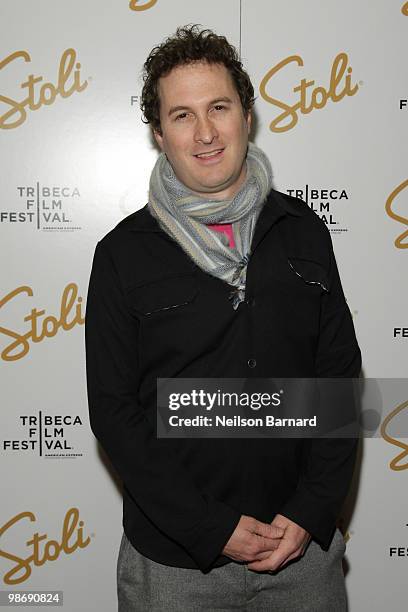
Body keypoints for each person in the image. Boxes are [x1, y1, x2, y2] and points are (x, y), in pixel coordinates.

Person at [85, 25, 361, 611]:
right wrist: (211, 527)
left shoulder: (303, 232)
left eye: (219, 107)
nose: (206, 132)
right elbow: (114, 412)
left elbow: (338, 380)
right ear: (159, 133)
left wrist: (310, 510)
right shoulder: (122, 254)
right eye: (182, 115)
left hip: (302, 555)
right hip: (177, 564)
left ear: (247, 115)